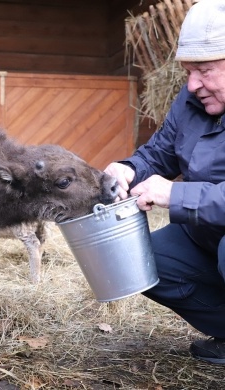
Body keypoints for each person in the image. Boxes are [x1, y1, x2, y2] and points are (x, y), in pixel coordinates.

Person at [104, 0, 225, 364]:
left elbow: (178, 190)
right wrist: (128, 168)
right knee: (143, 260)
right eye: (189, 71)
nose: (193, 84)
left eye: (204, 70)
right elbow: (158, 154)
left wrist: (175, 193)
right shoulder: (190, 100)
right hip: (205, 232)